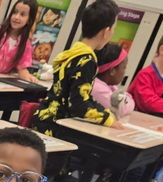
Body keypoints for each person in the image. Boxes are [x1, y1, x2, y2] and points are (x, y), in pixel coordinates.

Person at [32, 0, 122, 135]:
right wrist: (108, 120)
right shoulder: (87, 60)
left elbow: (82, 96)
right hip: (54, 128)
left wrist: (105, 113)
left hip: (43, 119)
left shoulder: (73, 53)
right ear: (106, 31)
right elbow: (79, 106)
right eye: (113, 30)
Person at [0, 0, 39, 82]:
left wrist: (30, 78)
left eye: (22, 14)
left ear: (29, 20)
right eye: (15, 12)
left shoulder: (26, 44)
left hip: (1, 83)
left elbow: (22, 69)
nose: (16, 17)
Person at [92, 42, 135, 119]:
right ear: (112, 71)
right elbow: (122, 109)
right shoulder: (97, 89)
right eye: (124, 67)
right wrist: (126, 98)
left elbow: (128, 100)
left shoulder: (110, 87)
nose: (125, 72)